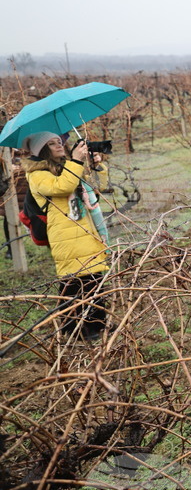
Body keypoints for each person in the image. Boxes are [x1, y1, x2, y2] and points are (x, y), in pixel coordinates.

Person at [23, 132, 110, 339]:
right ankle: (75, 330)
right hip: (64, 233)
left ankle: (97, 325)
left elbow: (96, 189)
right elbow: (62, 186)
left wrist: (96, 165)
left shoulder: (67, 167)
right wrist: (76, 161)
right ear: (42, 151)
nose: (59, 146)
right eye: (52, 144)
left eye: (59, 142)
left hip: (83, 228)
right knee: (74, 281)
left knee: (93, 276)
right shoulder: (37, 175)